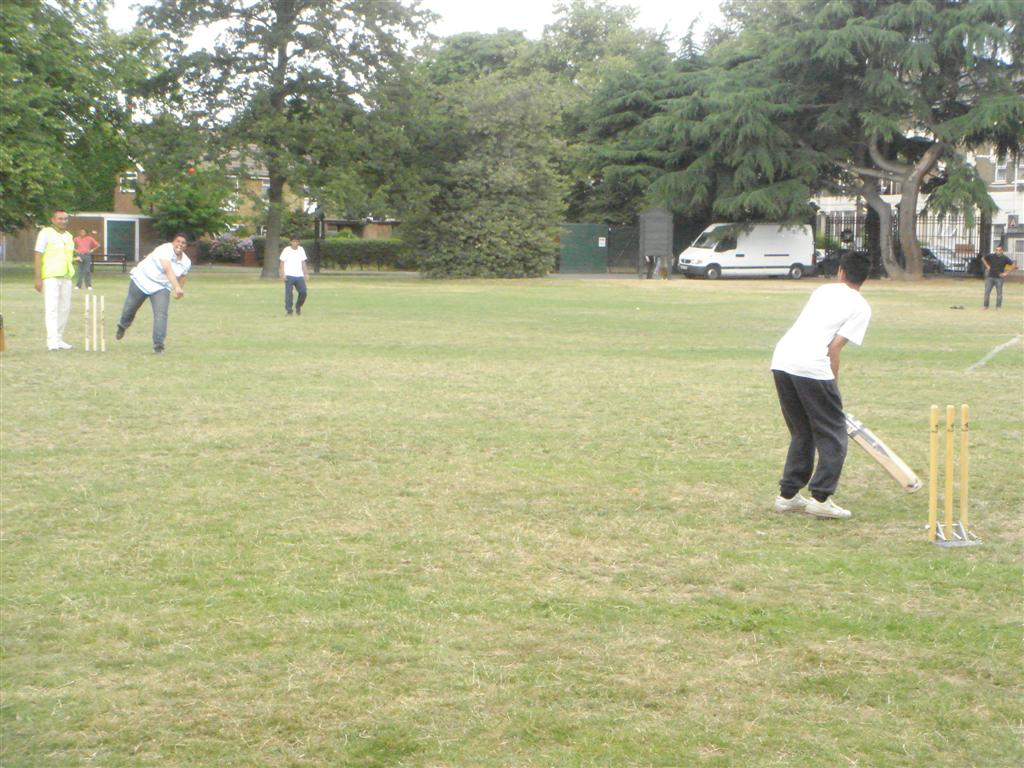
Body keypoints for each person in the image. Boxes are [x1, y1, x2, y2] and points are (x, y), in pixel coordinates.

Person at [770, 250, 873, 519]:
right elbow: (834, 348)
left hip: (782, 360)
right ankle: (820, 497)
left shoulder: (823, 290)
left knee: (802, 431)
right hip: (812, 365)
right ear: (865, 279)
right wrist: (833, 387)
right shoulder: (861, 306)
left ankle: (788, 495)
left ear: (841, 271)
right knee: (833, 433)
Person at [115, 234, 191, 354]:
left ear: (186, 246)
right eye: (178, 241)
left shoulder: (186, 261)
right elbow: (167, 269)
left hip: (160, 287)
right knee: (130, 308)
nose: (180, 245)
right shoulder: (164, 249)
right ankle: (122, 326)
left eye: (183, 243)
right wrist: (176, 286)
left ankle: (158, 345)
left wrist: (178, 289)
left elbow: (183, 275)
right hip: (141, 279)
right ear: (173, 242)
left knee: (161, 314)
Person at [33, 209, 76, 350]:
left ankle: (59, 338)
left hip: (66, 276)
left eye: (65, 219)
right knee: (52, 309)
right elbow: (38, 254)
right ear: (53, 220)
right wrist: (38, 278)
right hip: (51, 276)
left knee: (64, 309)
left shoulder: (69, 236)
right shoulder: (45, 233)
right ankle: (52, 342)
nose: (63, 221)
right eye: (59, 219)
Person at [279, 236, 309, 316]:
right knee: (289, 294)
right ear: (290, 242)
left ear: (298, 242)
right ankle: (289, 311)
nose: (295, 243)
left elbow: (303, 262)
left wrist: (305, 273)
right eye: (293, 241)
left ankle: (298, 306)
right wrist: (283, 273)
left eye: (296, 241)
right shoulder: (286, 250)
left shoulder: (301, 250)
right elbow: (282, 262)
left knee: (303, 292)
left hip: (299, 275)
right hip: (289, 275)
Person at [981, 244, 1015, 309]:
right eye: (996, 250)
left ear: (1002, 251)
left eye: (999, 250)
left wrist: (1006, 273)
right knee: (987, 292)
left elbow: (1013, 265)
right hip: (990, 277)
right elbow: (983, 258)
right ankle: (985, 306)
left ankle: (998, 307)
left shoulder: (1005, 258)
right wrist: (987, 266)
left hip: (999, 278)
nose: (998, 251)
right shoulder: (991, 256)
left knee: (999, 293)